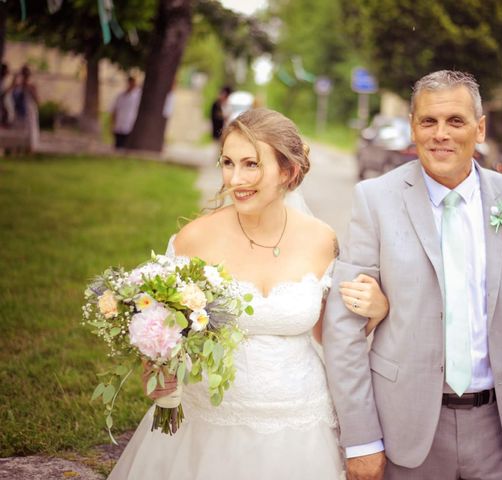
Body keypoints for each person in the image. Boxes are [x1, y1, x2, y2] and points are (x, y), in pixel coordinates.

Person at [323, 70, 502, 480]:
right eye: (429, 121)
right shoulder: (375, 200)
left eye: (455, 121)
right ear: (413, 128)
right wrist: (362, 439)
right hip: (404, 429)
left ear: (479, 129)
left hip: (501, 432)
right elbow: (344, 326)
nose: (440, 133)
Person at [106, 108, 389, 480]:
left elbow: (328, 334)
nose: (235, 179)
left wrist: (377, 311)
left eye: (251, 164)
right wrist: (156, 370)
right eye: (227, 162)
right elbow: (163, 334)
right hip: (210, 424)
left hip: (300, 425)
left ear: (287, 171)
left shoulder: (322, 240)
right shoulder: (196, 239)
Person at [9, 65, 39, 151]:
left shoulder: (32, 86)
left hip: (29, 111)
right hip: (19, 111)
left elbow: (37, 100)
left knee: (30, 131)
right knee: (18, 130)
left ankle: (29, 148)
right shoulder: (17, 86)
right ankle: (17, 148)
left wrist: (30, 89)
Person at [110, 76, 141, 149]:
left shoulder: (138, 96)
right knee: (118, 145)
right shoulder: (120, 96)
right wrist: (112, 124)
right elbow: (114, 110)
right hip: (119, 125)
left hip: (130, 125)